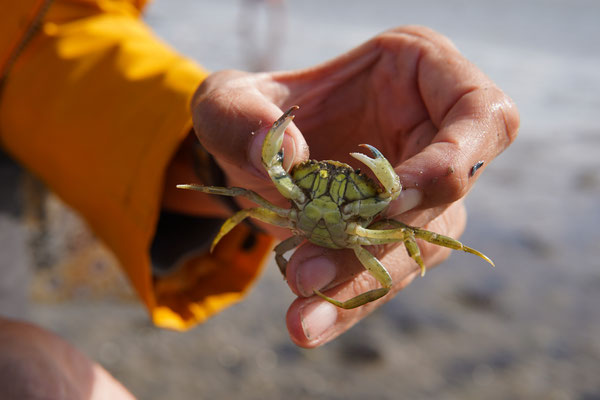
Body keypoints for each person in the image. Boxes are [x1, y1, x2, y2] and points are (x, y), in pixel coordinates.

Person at [0, 0, 519, 398]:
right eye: (324, 176)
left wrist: (199, 149)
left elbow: (43, 29)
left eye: (347, 182)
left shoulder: (341, 205)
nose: (333, 183)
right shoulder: (304, 193)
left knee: (404, 233)